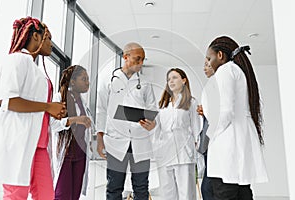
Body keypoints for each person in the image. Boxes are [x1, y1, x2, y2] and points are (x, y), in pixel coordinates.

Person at [0, 16, 65, 200]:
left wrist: (54, 111)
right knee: (16, 195)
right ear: (35, 36)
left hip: (39, 144)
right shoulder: (17, 60)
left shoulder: (36, 70)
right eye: (48, 38)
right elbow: (6, 100)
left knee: (46, 195)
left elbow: (39, 108)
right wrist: (48, 106)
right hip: (19, 142)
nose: (51, 44)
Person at [202, 36, 268, 200]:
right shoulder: (236, 71)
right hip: (238, 140)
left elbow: (225, 111)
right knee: (242, 192)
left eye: (209, 58)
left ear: (220, 55)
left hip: (227, 143)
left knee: (224, 193)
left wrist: (209, 136)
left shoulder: (225, 70)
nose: (208, 63)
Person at [96, 42, 157, 200]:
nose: (141, 63)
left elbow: (152, 111)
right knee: (114, 187)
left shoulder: (145, 83)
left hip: (140, 141)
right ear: (125, 57)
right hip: (116, 141)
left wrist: (152, 124)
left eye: (143, 59)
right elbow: (101, 110)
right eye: (137, 59)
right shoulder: (108, 80)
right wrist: (100, 139)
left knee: (141, 187)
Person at [150, 68, 201, 200]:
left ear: (184, 80)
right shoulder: (162, 104)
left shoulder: (191, 102)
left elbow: (197, 128)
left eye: (174, 77)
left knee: (186, 194)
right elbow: (156, 129)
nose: (171, 81)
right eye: (168, 79)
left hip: (184, 154)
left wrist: (197, 149)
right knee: (167, 193)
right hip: (165, 154)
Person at [50, 65, 93, 200]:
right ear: (73, 81)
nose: (87, 82)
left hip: (80, 152)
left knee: (75, 195)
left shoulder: (82, 102)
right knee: (62, 195)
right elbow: (52, 124)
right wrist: (75, 120)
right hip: (66, 153)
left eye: (88, 79)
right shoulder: (59, 98)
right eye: (83, 79)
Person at [197, 63, 215, 200]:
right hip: (207, 142)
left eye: (207, 64)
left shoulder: (218, 86)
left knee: (207, 187)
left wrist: (208, 111)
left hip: (213, 142)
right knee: (207, 186)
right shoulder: (210, 87)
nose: (204, 68)